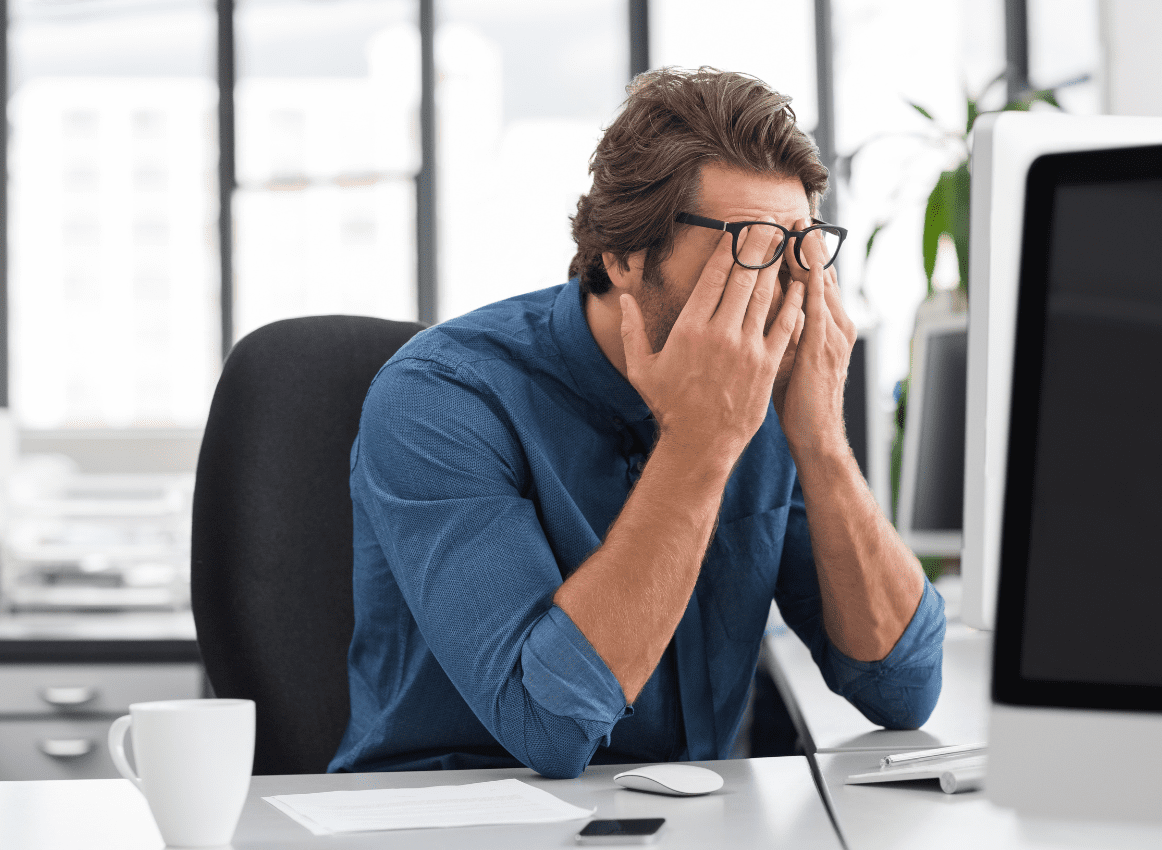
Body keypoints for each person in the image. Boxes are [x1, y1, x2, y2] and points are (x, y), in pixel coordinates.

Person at [329, 67, 945, 778]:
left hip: (689, 818)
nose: (780, 292)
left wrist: (821, 442)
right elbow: (549, 728)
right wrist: (700, 443)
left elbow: (902, 689)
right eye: (749, 246)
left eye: (800, 250)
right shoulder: (441, 398)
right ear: (624, 255)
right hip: (458, 818)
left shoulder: (773, 390)